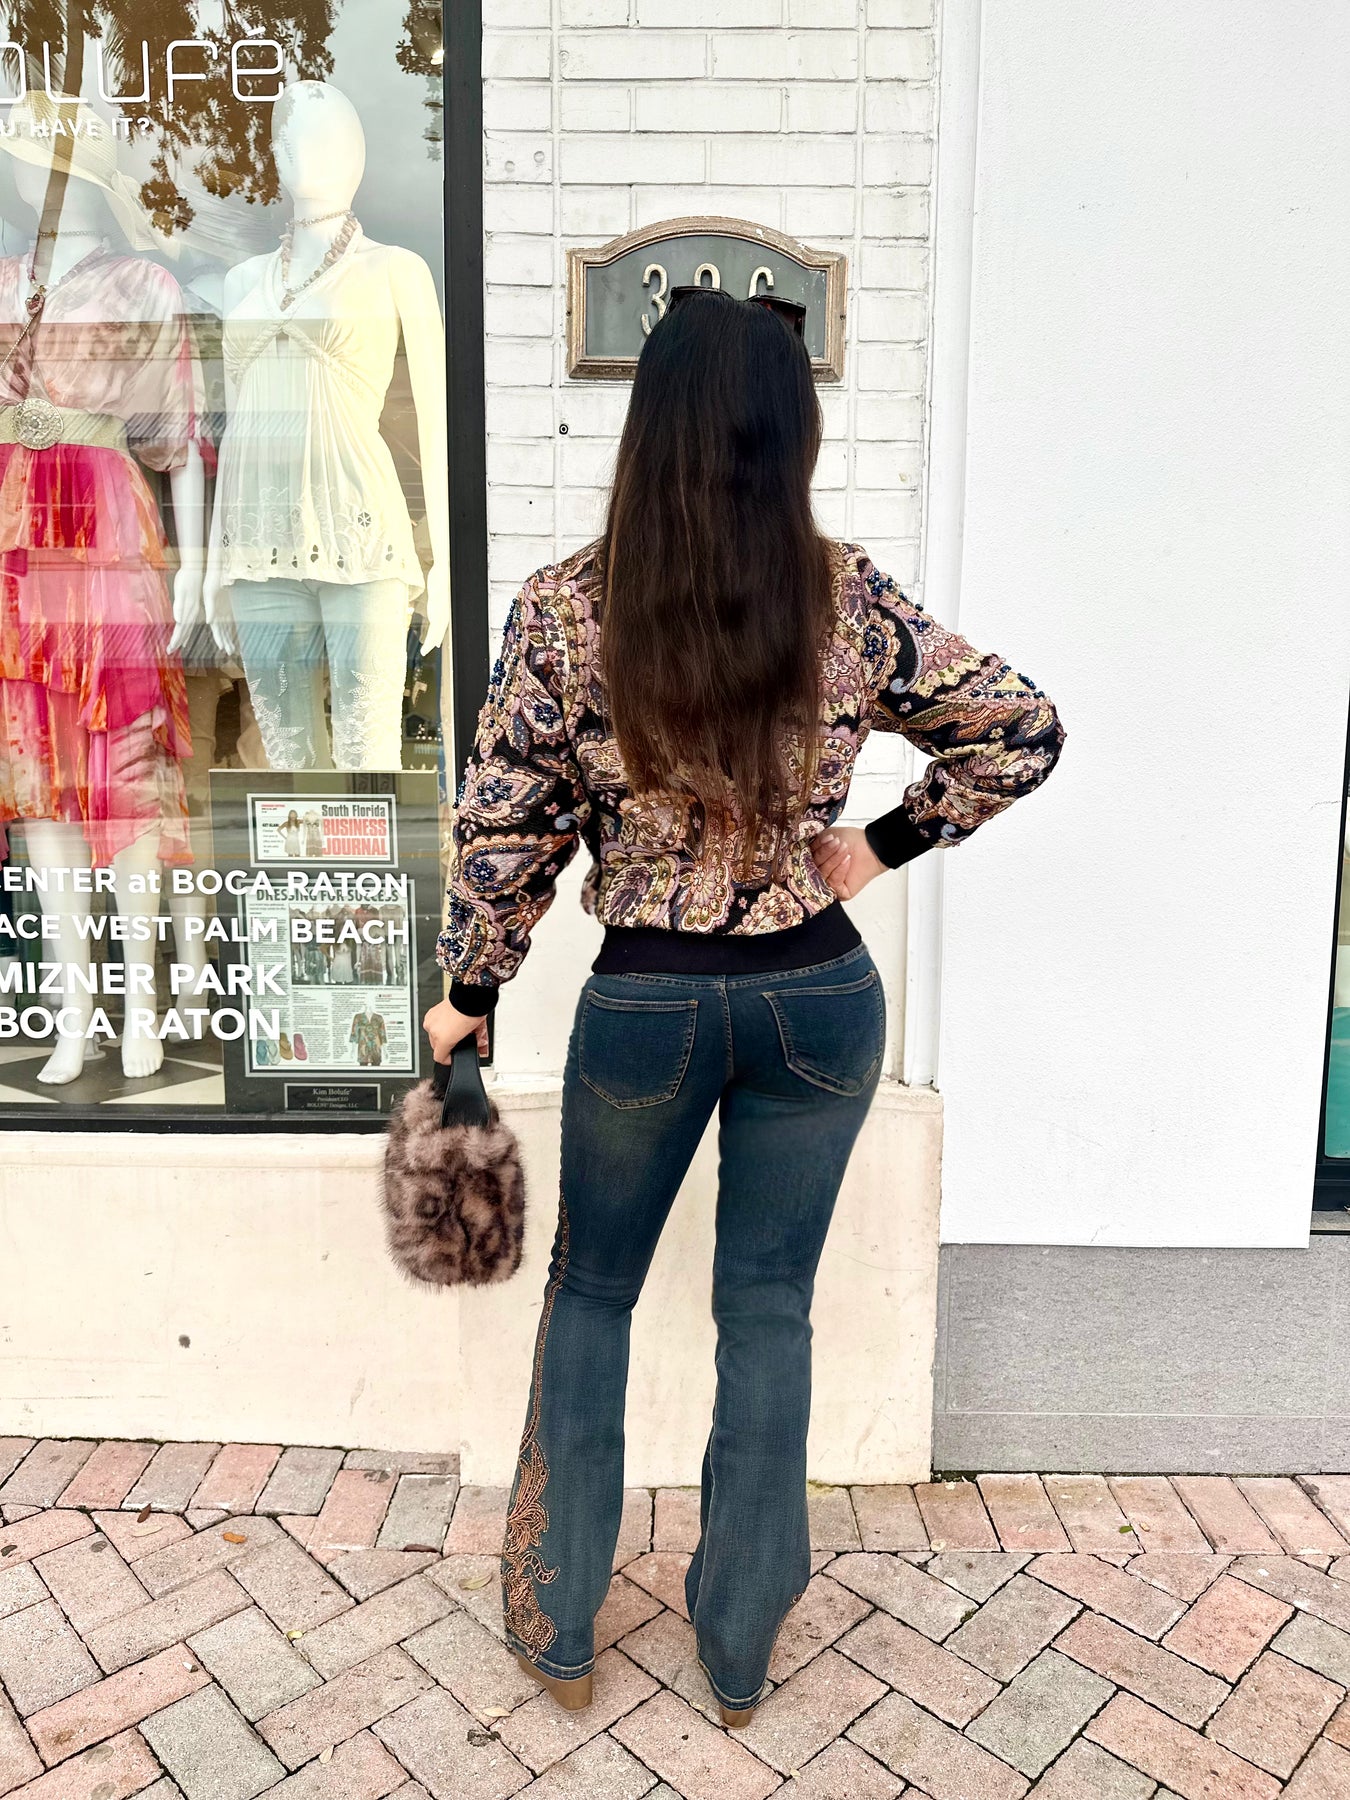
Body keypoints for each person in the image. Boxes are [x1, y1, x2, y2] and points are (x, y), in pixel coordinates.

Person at [423, 287, 1065, 1726]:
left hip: (647, 1005)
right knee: (768, 1306)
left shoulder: (566, 608)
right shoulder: (845, 597)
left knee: (593, 1291)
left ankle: (558, 1616)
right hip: (819, 999)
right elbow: (1018, 726)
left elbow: (506, 828)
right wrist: (876, 847)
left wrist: (469, 991)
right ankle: (738, 1639)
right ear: (795, 431)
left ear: (648, 424)